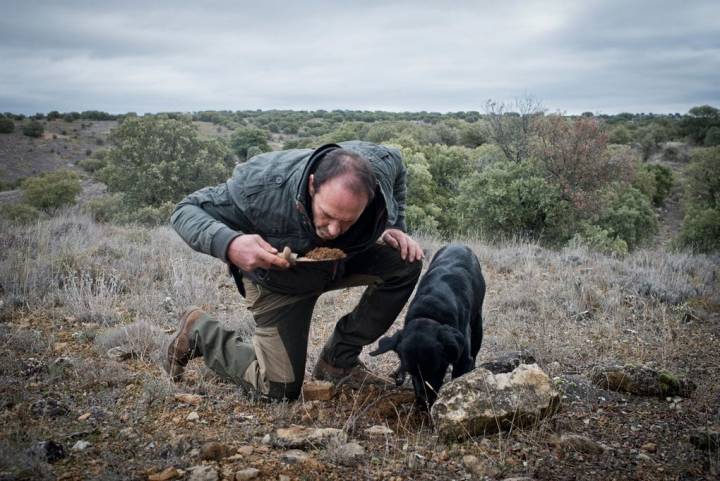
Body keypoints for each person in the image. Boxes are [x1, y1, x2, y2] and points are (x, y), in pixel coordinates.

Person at [164, 140, 424, 400]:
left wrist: (394, 225)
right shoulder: (260, 187)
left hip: (343, 260)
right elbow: (185, 211)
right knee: (278, 389)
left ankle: (338, 361)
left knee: (406, 260)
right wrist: (230, 244)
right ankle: (201, 331)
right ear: (312, 186)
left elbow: (398, 165)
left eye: (347, 221)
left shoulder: (380, 166)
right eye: (327, 215)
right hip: (278, 277)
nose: (334, 231)